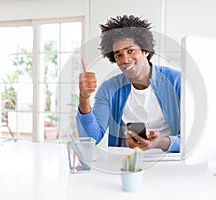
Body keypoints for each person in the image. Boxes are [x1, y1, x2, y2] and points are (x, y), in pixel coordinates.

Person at [76, 15, 180, 152]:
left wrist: (160, 143)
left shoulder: (175, 81)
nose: (125, 59)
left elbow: (190, 138)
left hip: (170, 161)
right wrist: (84, 98)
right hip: (128, 163)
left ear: (146, 50)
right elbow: (91, 139)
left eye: (130, 51)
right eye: (118, 55)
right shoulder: (109, 88)